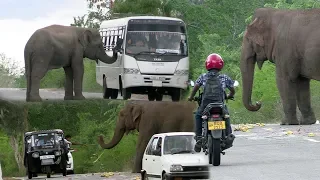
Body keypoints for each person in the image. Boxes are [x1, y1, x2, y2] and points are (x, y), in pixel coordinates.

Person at [188, 53, 236, 152]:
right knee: (226, 116)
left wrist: (191, 97)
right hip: (220, 105)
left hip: (206, 106)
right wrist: (230, 95)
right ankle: (228, 135)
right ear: (221, 64)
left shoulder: (203, 77)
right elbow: (232, 90)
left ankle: (199, 137)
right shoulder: (224, 78)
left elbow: (195, 88)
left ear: (207, 64)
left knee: (198, 116)